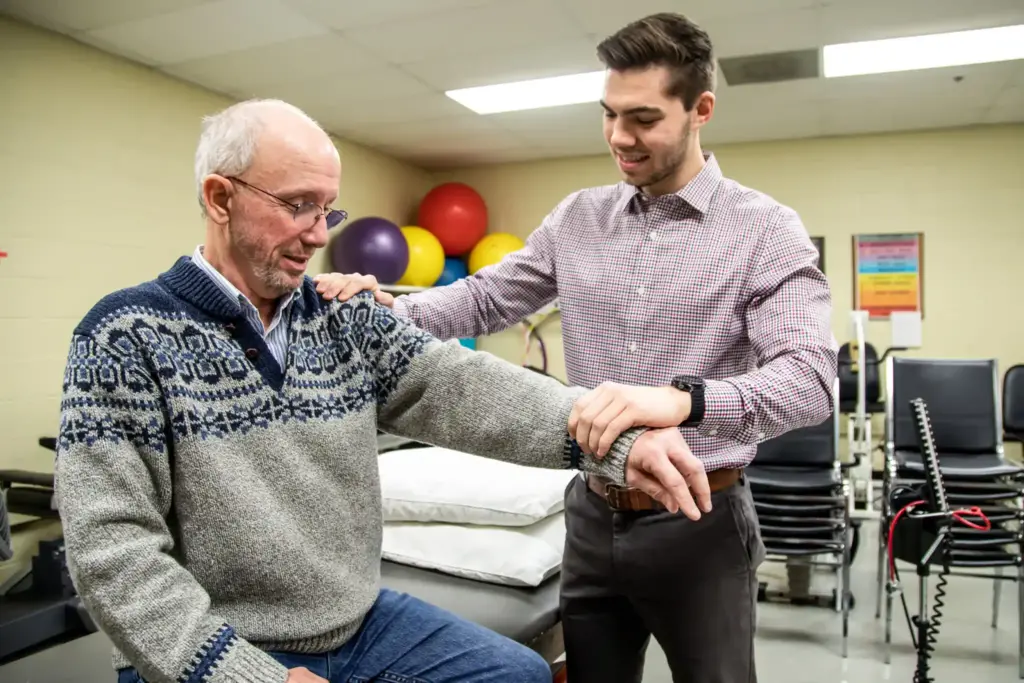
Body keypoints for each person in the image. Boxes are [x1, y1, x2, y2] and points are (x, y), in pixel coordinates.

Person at [53, 98, 715, 683]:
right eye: (298, 206)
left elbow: (465, 387)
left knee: (516, 673)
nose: (320, 234)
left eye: (327, 207)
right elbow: (112, 552)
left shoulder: (344, 318)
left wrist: (619, 440)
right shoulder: (124, 335)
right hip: (218, 642)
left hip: (356, 622)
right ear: (221, 197)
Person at [313, 12, 838, 683]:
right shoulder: (578, 218)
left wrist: (684, 399)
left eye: (644, 118)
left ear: (701, 109)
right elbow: (480, 299)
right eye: (610, 114)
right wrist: (388, 311)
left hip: (700, 520)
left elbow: (812, 381)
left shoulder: (764, 230)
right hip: (591, 512)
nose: (621, 136)